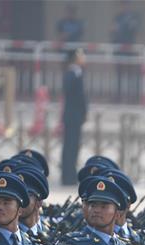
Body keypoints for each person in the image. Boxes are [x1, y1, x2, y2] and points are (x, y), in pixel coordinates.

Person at [61, 48, 87, 186]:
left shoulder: (76, 73)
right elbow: (77, 97)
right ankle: (68, 176)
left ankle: (70, 174)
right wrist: (83, 111)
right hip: (73, 115)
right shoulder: (73, 73)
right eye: (82, 55)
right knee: (70, 146)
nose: (84, 58)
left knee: (73, 146)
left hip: (74, 115)